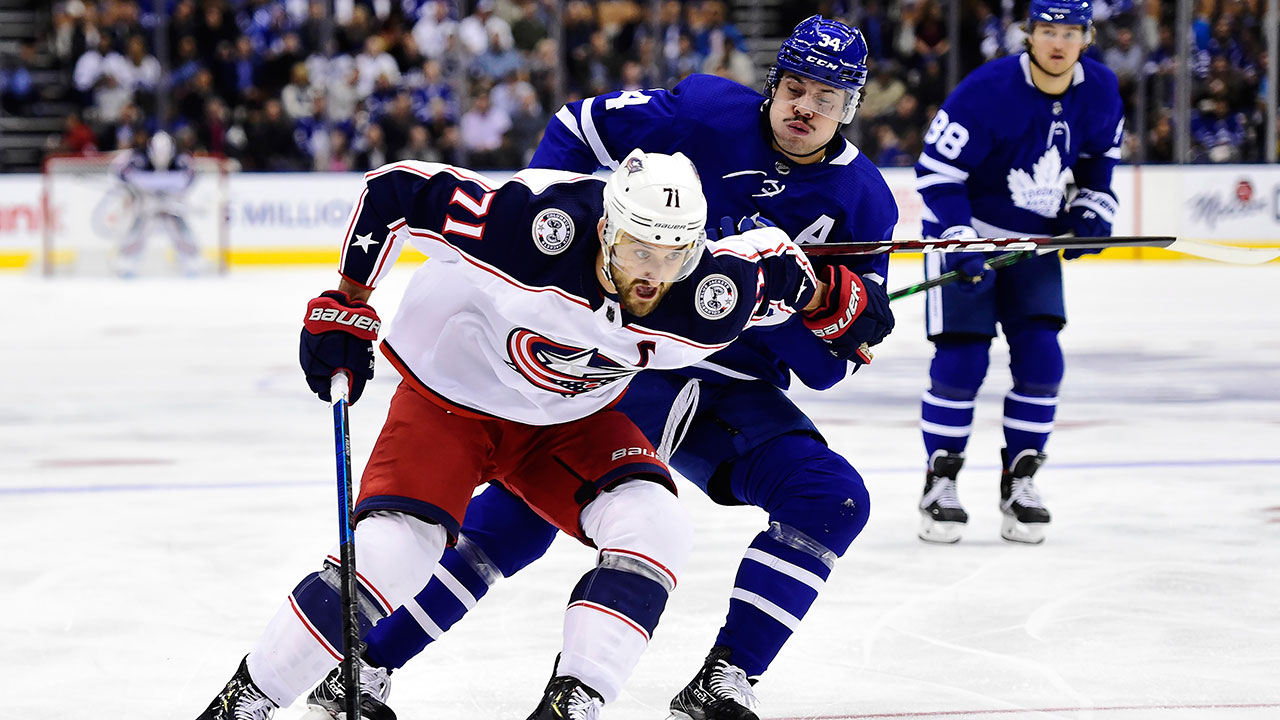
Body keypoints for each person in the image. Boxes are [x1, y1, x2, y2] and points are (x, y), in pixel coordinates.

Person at [304, 16, 898, 720]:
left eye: (827, 99)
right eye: (796, 88)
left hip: (730, 391)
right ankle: (369, 663)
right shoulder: (705, 111)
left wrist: (811, 303)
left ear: (851, 108)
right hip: (628, 360)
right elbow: (577, 126)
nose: (806, 108)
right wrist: (565, 240)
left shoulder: (865, 202)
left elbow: (830, 368)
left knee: (832, 499)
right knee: (521, 518)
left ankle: (723, 680)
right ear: (774, 85)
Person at [194, 148, 884, 720]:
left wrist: (835, 300)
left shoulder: (712, 294)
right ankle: (247, 700)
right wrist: (347, 300)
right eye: (640, 250)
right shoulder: (533, 231)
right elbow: (399, 191)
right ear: (608, 232)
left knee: (656, 526)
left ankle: (573, 702)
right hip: (454, 400)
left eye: (673, 257)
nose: (653, 274)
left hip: (567, 419)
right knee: (395, 553)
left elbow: (783, 268)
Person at [913, 0, 1123, 545]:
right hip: (970, 237)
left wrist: (1091, 211)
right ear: (1028, 34)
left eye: (1070, 32)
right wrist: (959, 238)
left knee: (1042, 360)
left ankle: (1020, 482)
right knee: (961, 360)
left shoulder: (1099, 89)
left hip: (1035, 244)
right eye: (1047, 30)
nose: (1058, 42)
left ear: (1087, 36)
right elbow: (937, 175)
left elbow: (1100, 160)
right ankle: (940, 483)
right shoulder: (986, 92)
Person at [108, 131, 204, 277]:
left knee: (181, 232)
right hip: (147, 205)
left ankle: (192, 261)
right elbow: (119, 171)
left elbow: (190, 178)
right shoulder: (138, 159)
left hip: (171, 204)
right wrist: (138, 187)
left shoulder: (181, 160)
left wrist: (171, 192)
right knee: (137, 232)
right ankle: (126, 262)